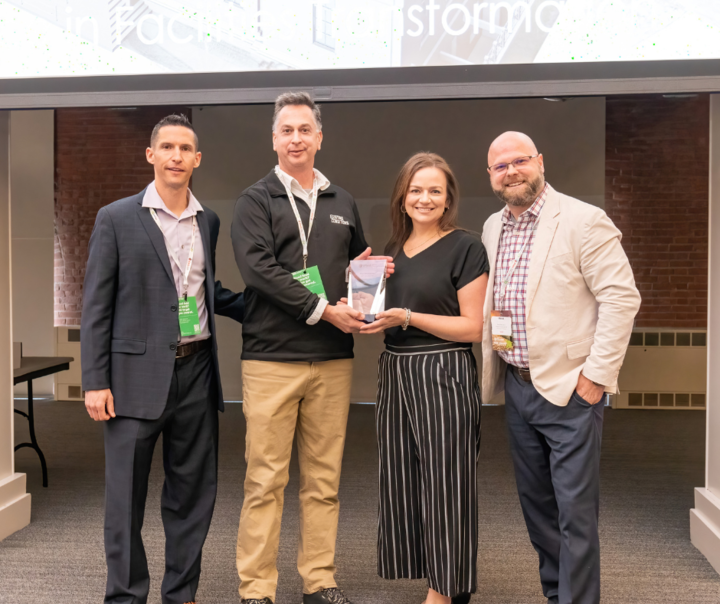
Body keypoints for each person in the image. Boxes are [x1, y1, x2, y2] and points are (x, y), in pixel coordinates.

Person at [231, 91, 393, 604]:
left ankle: (319, 580)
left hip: (331, 360)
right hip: (270, 359)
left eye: (305, 130)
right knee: (265, 481)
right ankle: (257, 588)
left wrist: (365, 280)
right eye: (287, 130)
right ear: (274, 139)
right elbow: (260, 272)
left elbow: (350, 267)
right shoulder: (255, 200)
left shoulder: (341, 200)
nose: (296, 138)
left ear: (319, 138)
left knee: (323, 481)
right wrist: (325, 309)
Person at [81, 114, 244, 604]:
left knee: (192, 496)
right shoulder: (116, 217)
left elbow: (202, 291)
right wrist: (95, 379)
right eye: (167, 147)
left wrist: (288, 304)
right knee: (125, 500)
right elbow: (96, 304)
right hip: (131, 379)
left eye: (186, 148)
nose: (176, 155)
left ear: (197, 159)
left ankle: (182, 594)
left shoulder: (207, 220)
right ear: (151, 155)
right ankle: (126, 596)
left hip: (196, 371)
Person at [481, 132, 641, 604]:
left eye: (520, 161)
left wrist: (595, 378)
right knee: (538, 511)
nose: (511, 171)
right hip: (518, 386)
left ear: (540, 162)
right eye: (500, 166)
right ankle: (557, 595)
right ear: (489, 176)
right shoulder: (493, 226)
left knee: (575, 514)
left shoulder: (583, 220)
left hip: (571, 390)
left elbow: (621, 297)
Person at [360, 152, 488, 604]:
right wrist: (360, 285)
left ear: (449, 196)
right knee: (403, 478)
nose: (424, 198)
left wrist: (408, 316)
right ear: (402, 196)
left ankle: (447, 587)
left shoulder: (466, 247)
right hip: (395, 371)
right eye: (416, 190)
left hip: (443, 371)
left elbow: (474, 327)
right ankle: (429, 569)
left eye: (435, 190)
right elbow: (372, 315)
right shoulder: (390, 252)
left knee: (447, 481)